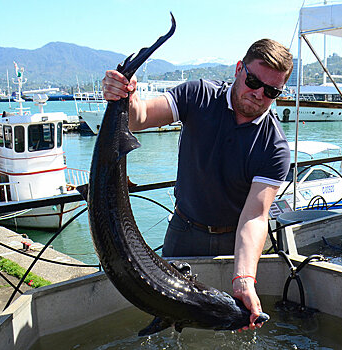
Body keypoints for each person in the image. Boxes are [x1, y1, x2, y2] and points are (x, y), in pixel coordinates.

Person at [102, 39, 293, 331]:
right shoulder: (200, 94)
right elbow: (139, 119)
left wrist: (243, 278)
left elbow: (254, 216)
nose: (258, 94)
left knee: (241, 322)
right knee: (164, 314)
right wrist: (125, 96)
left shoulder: (275, 146)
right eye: (254, 81)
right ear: (239, 69)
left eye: (271, 91)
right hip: (184, 230)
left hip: (236, 241)